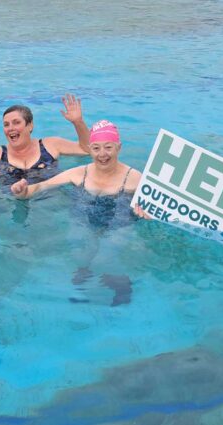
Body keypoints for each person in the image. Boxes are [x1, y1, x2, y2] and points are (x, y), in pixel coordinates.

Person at [11, 120, 143, 306]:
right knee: (79, 253)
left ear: (118, 147)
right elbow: (42, 186)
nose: (102, 154)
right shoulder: (80, 173)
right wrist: (23, 192)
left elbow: (157, 206)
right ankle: (85, 270)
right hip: (84, 217)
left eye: (108, 147)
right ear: (89, 149)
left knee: (103, 259)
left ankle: (121, 284)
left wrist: (145, 212)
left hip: (120, 220)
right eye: (96, 148)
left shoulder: (135, 179)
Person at [0, 94, 90, 186]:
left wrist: (78, 122)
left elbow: (87, 150)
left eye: (16, 122)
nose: (10, 128)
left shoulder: (50, 145)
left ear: (30, 125)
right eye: (6, 125)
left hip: (50, 201)